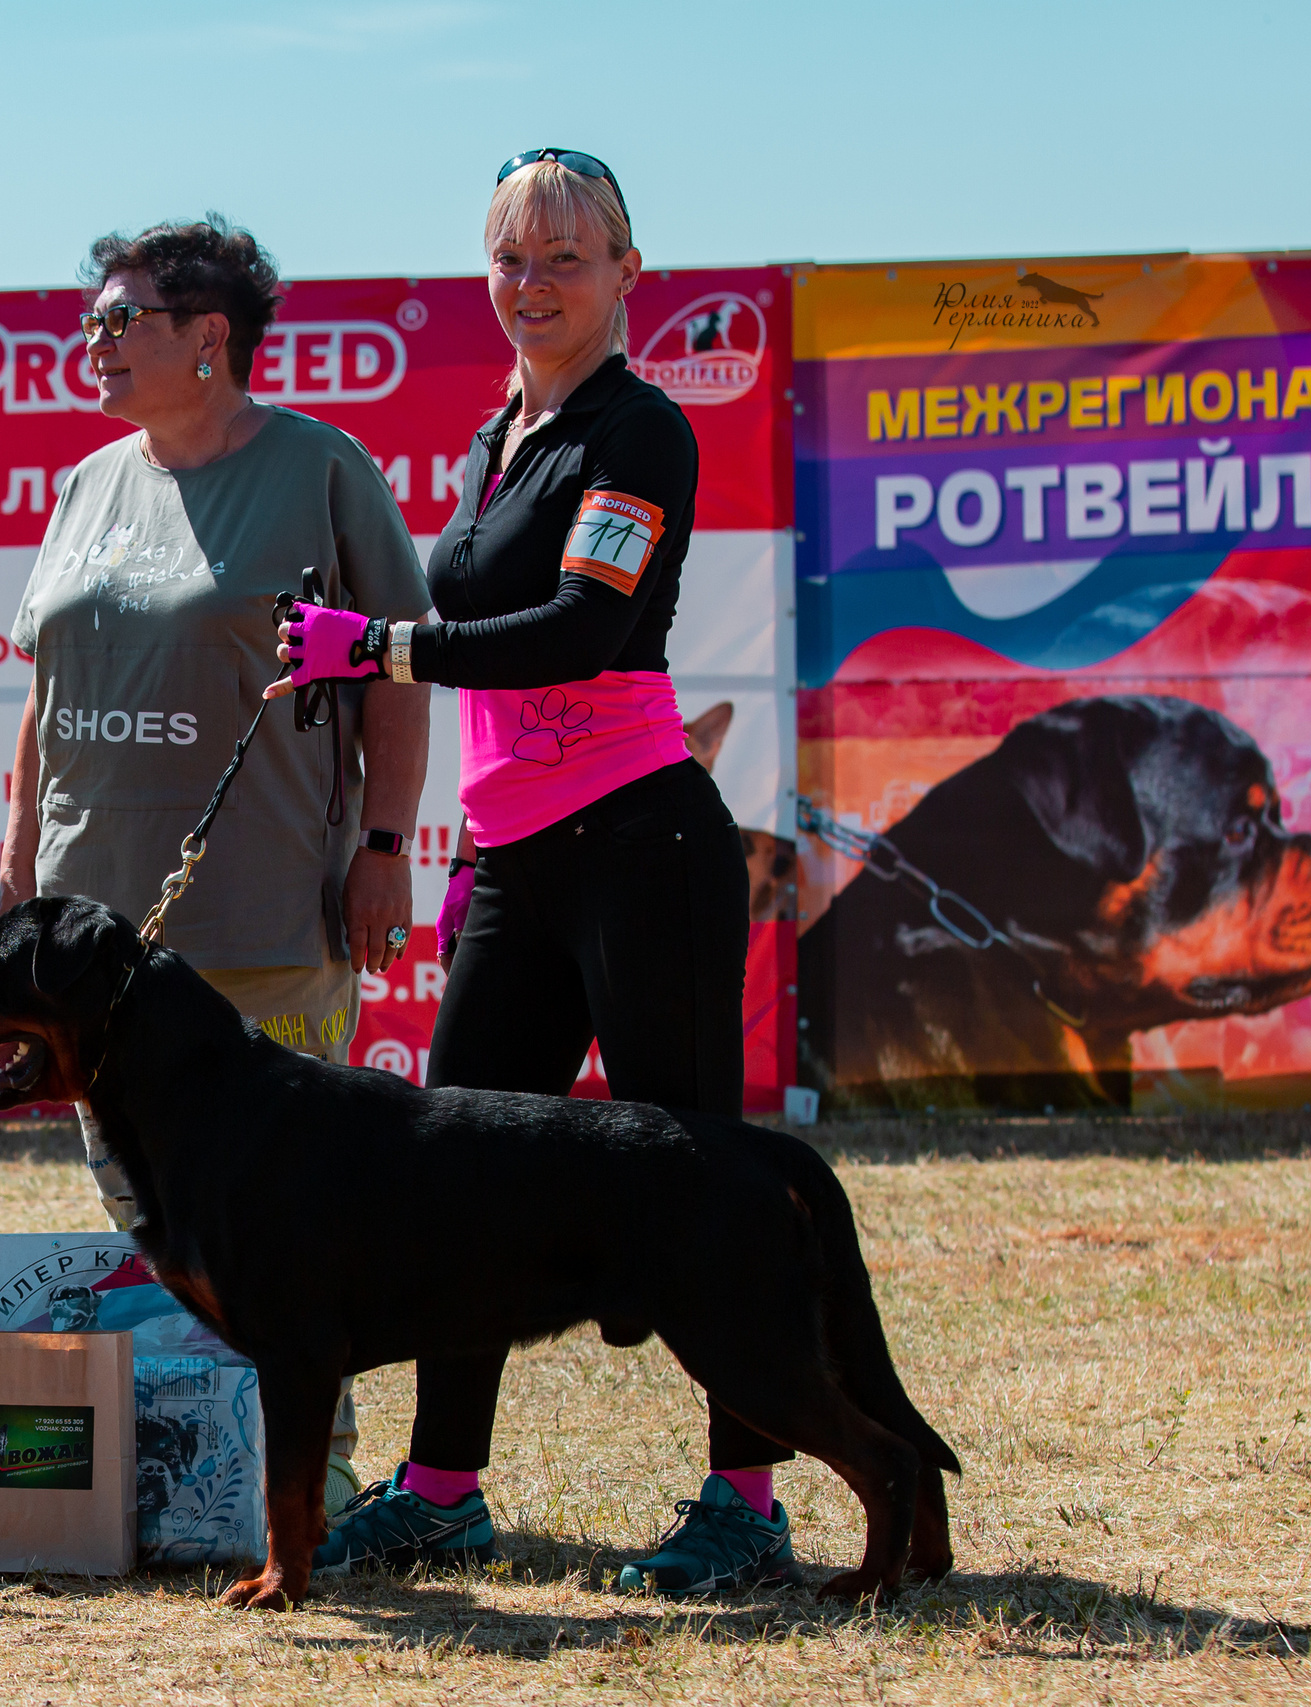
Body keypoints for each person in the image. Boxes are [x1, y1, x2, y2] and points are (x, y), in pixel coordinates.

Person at [273, 152, 787, 1597]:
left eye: (568, 255)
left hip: (643, 842)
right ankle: (442, 1489)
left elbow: (582, 627)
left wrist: (379, 645)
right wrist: (470, 832)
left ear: (631, 272)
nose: (537, 281)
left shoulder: (644, 430)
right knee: (449, 1178)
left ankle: (746, 1500)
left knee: (697, 1175)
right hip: (518, 857)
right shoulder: (504, 428)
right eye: (511, 257)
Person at [0, 215, 432, 1509]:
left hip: (257, 914)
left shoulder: (320, 471)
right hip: (89, 939)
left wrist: (387, 845)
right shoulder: (88, 485)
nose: (98, 342)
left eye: (124, 320)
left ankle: (320, 1465)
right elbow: (43, 694)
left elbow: (397, 676)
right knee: (146, 1208)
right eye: (94, 320)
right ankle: (185, 1469)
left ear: (210, 339)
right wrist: (20, 883)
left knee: (287, 1216)